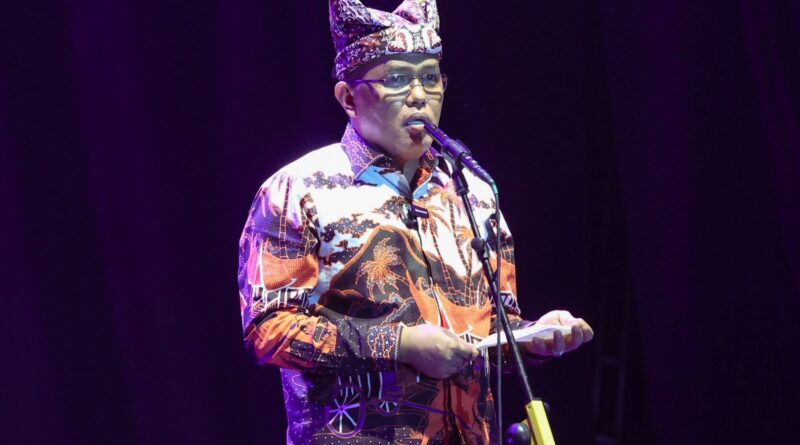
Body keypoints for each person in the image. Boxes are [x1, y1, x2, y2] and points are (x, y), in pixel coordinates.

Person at [237, 1, 594, 443]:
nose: (419, 95)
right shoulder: (298, 190)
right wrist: (401, 345)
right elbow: (269, 330)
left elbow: (491, 334)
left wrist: (532, 337)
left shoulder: (473, 192)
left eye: (430, 78)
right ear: (348, 98)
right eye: (397, 80)